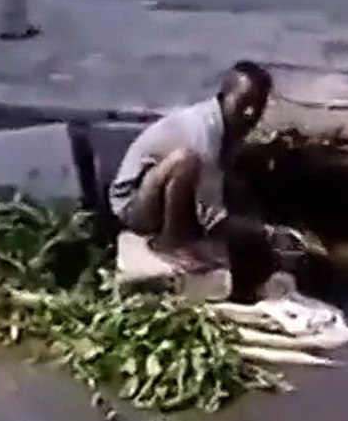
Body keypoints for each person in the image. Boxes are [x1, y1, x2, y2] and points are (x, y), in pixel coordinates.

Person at [109, 60, 296, 300]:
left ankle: (187, 236)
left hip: (160, 194)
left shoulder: (228, 127)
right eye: (243, 104)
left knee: (236, 186)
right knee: (185, 162)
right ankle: (170, 244)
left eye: (257, 106)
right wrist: (265, 234)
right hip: (133, 203)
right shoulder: (204, 133)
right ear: (224, 96)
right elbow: (213, 217)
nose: (251, 113)